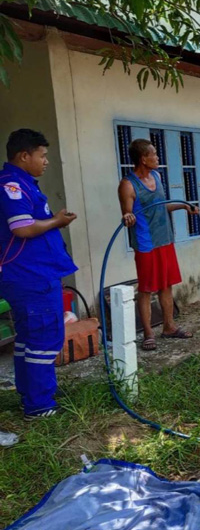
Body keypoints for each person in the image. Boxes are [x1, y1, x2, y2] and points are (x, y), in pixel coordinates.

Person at [0, 129, 78, 420]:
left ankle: (31, 396)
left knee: (29, 339)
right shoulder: (12, 185)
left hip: (34, 274)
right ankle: (39, 405)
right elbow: (21, 228)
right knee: (43, 340)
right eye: (42, 155)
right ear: (24, 156)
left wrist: (54, 221)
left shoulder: (24, 184)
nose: (46, 161)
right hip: (29, 276)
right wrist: (56, 220)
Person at [118, 139, 198, 350]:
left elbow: (161, 207)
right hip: (146, 243)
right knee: (146, 289)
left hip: (165, 239)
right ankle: (148, 334)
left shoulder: (157, 176)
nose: (157, 158)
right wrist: (127, 216)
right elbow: (127, 214)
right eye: (154, 154)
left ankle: (169, 327)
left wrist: (183, 206)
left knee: (166, 285)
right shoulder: (128, 184)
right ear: (143, 158)